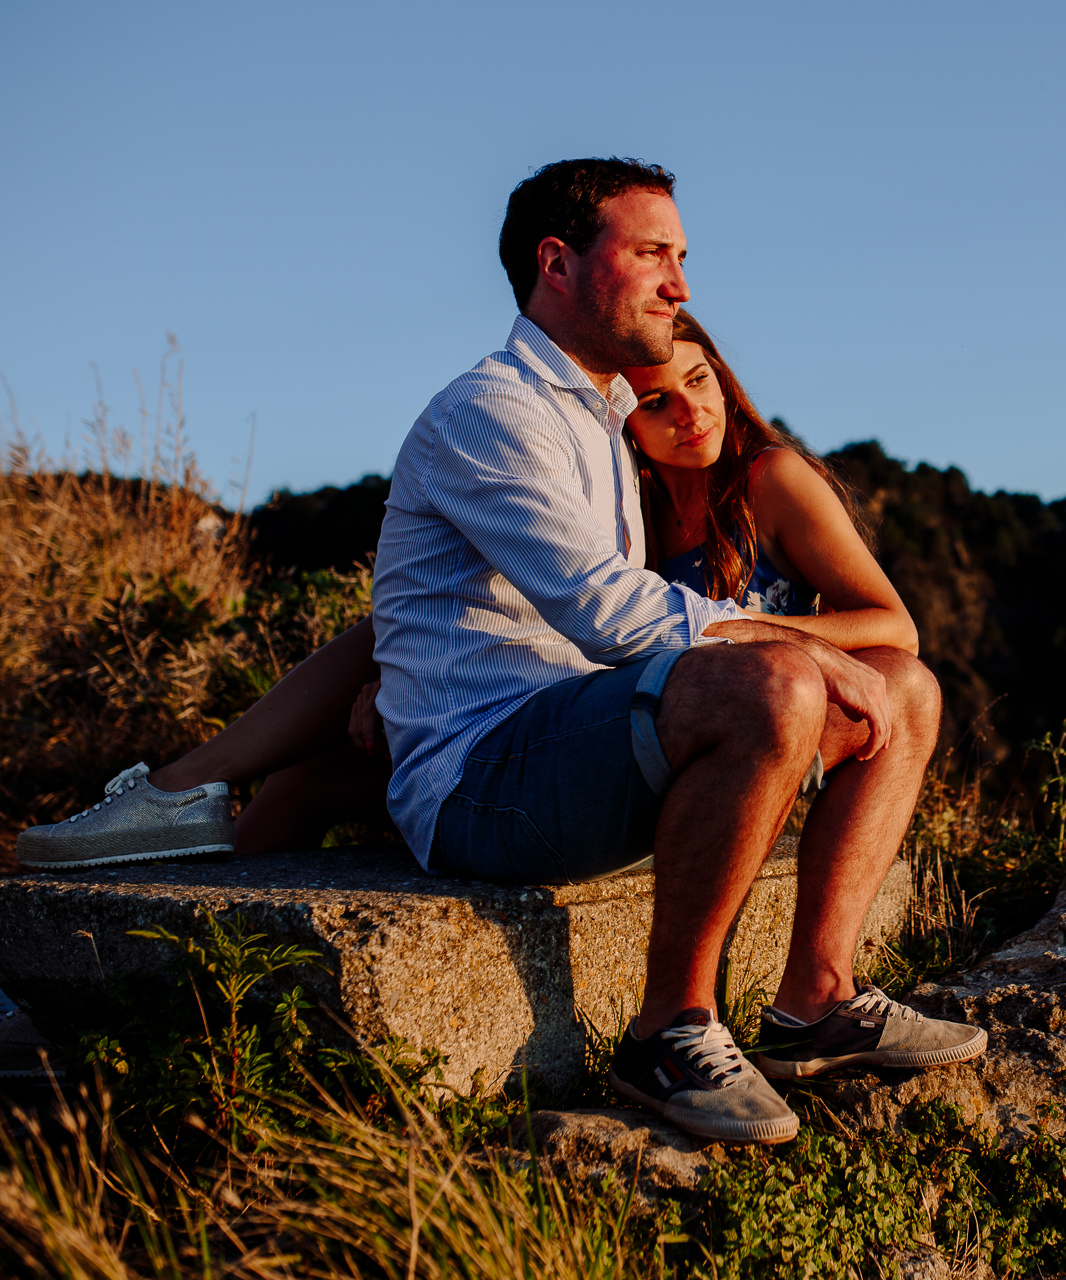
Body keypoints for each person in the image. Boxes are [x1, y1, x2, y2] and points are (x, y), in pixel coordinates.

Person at [21, 158, 985, 1144]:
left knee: (908, 686)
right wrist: (798, 650)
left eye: (682, 257)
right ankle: (669, 1031)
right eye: (653, 253)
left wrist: (807, 654)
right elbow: (610, 615)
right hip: (485, 775)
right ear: (557, 263)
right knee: (773, 682)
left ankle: (815, 1001)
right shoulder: (494, 412)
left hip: (570, 734)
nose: (681, 284)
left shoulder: (603, 429)